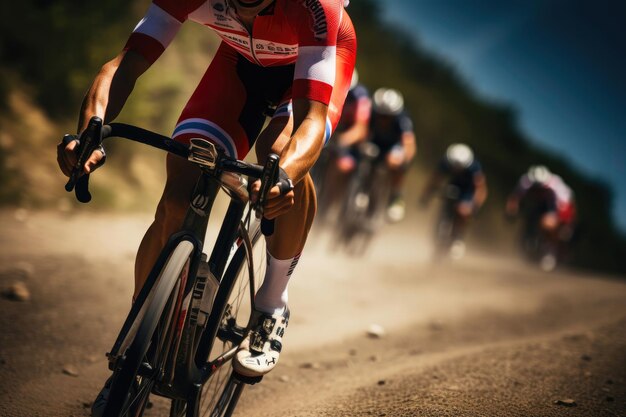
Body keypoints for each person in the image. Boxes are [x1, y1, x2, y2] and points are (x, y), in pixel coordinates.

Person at [56, 0, 357, 413]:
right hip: (238, 64)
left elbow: (310, 119)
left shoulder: (315, 10)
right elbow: (124, 65)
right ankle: (134, 355)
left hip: (307, 74)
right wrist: (88, 132)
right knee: (177, 197)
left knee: (277, 153)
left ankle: (271, 305)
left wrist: (284, 176)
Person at [314, 68, 372, 222]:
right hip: (327, 133)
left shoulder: (361, 97)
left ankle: (330, 203)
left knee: (342, 166)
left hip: (347, 142)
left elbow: (360, 128)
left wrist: (342, 140)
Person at [420, 143, 487, 259]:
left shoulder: (474, 168)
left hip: (467, 191)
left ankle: (458, 238)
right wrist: (427, 196)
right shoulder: (446, 162)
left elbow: (480, 189)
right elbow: (435, 180)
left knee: (463, 211)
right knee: (446, 202)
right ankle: (440, 234)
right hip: (452, 187)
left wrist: (474, 206)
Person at [505, 165, 576, 270]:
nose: (538, 190)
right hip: (537, 205)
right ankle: (527, 245)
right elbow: (514, 198)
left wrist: (565, 226)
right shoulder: (526, 182)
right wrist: (511, 211)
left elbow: (567, 208)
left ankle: (550, 252)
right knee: (529, 220)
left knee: (548, 224)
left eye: (541, 188)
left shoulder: (557, 186)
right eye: (535, 187)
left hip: (556, 207)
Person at [367, 87, 417, 222]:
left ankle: (396, 198)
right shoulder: (370, 112)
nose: (383, 119)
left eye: (387, 117)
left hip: (393, 147)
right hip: (375, 143)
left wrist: (404, 161)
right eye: (380, 115)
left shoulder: (403, 120)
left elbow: (408, 143)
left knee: (395, 162)